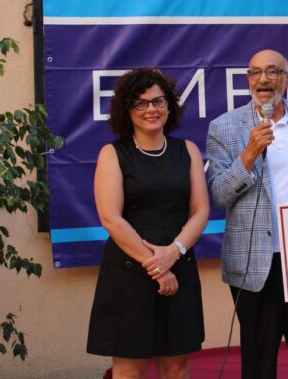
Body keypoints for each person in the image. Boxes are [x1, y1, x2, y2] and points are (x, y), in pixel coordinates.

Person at [206, 49, 288, 379]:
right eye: (255, 72)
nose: (263, 79)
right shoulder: (224, 127)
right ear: (248, 80)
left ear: (287, 79)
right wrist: (249, 155)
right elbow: (219, 194)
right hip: (255, 262)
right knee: (259, 362)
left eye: (272, 72)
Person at [87, 68, 209, 378]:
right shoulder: (112, 154)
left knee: (176, 367)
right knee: (129, 371)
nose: (151, 109)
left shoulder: (188, 150)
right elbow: (110, 218)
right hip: (130, 272)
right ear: (127, 110)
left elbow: (200, 211)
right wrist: (158, 266)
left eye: (158, 101)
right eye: (140, 103)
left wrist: (173, 253)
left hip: (179, 265)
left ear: (169, 105)